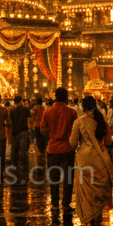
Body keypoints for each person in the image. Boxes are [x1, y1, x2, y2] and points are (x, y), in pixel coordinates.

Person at [70, 96, 113, 226]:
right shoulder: (102, 122)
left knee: (86, 191)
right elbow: (108, 142)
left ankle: (87, 220)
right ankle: (96, 217)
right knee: (98, 190)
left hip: (84, 160)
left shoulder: (79, 122)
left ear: (83, 107)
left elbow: (73, 143)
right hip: (101, 159)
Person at [40, 87, 78, 218]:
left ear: (55, 97)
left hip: (53, 148)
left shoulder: (48, 112)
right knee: (68, 177)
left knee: (54, 178)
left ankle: (55, 203)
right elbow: (75, 131)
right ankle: (66, 204)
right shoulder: (72, 112)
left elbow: (42, 130)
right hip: (68, 148)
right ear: (67, 97)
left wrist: (52, 129)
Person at [9, 95, 31, 174]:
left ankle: (15, 164)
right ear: (21, 101)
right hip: (24, 131)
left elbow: (10, 122)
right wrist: (30, 129)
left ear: (14, 102)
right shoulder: (26, 110)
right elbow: (29, 120)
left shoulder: (12, 111)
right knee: (23, 149)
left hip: (15, 131)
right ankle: (23, 165)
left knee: (14, 149)